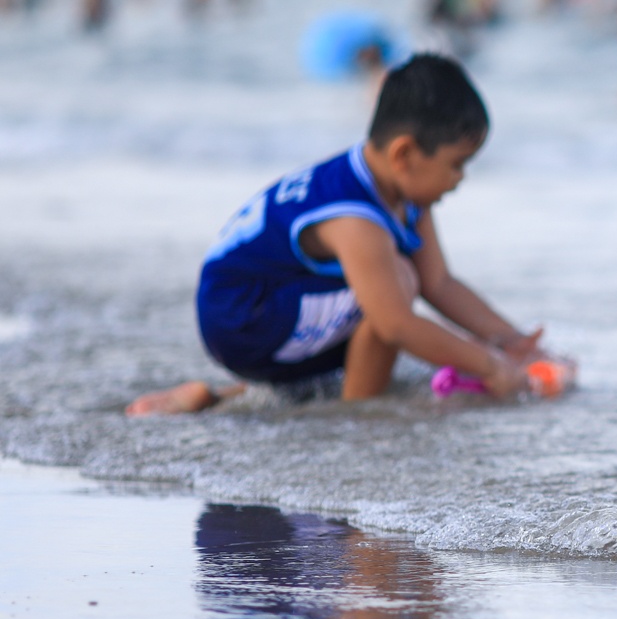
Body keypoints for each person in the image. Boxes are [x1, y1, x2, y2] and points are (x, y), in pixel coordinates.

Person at [126, 54, 546, 415]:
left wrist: (509, 340)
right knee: (393, 286)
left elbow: (440, 283)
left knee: (396, 295)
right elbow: (396, 325)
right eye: (457, 164)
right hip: (241, 317)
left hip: (276, 309)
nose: (460, 179)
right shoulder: (355, 216)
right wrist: (490, 367)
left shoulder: (403, 191)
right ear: (404, 154)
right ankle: (357, 418)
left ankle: (217, 400)